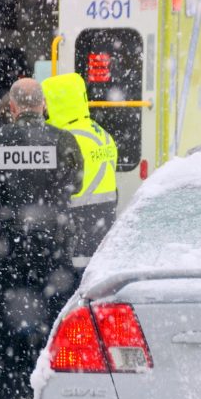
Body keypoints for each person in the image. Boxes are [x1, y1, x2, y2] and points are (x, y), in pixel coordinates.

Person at [0, 78, 83, 399]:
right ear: (43, 105)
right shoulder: (63, 140)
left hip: (8, 247)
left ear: (13, 107)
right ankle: (46, 398)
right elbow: (76, 184)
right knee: (51, 320)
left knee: (3, 321)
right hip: (52, 248)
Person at [41, 73, 118, 283]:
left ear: (58, 101)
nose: (44, 107)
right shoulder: (100, 133)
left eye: (46, 101)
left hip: (77, 228)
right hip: (102, 227)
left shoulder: (65, 139)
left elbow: (55, 185)